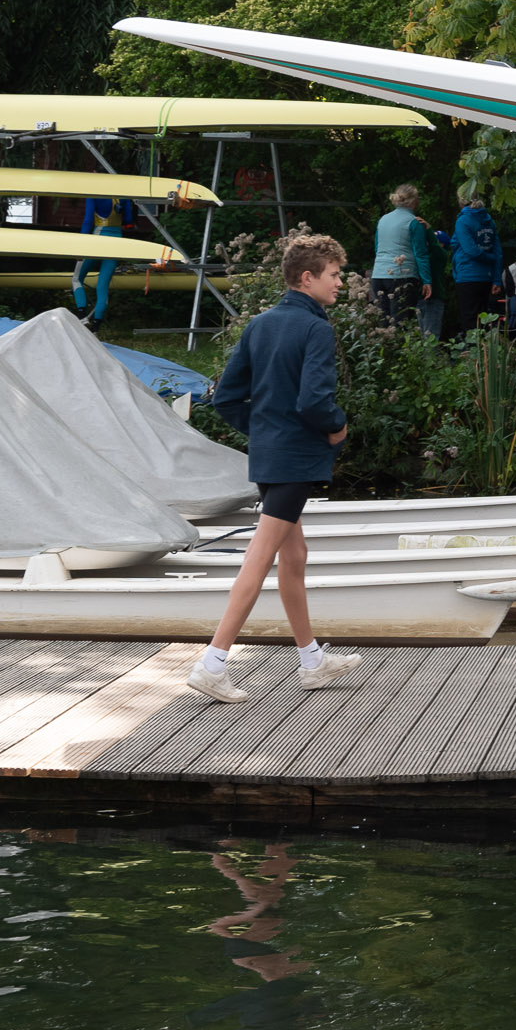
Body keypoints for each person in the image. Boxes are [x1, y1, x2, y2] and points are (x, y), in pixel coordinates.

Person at [188, 233, 364, 705]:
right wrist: (336, 429)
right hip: (293, 458)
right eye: (333, 275)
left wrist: (264, 428)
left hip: (271, 455)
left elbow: (224, 397)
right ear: (307, 278)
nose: (340, 282)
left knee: (294, 554)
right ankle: (212, 663)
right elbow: (315, 401)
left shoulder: (260, 325)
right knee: (262, 555)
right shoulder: (316, 329)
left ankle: (311, 660)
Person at [368, 185, 434, 325]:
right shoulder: (414, 222)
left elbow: (377, 248)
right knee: (401, 323)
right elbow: (421, 254)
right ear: (413, 201)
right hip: (401, 276)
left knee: (383, 324)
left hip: (378, 275)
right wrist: (427, 281)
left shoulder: (383, 220)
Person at [71, 196, 130, 328]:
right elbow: (128, 220)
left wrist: (80, 246)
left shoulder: (94, 193)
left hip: (98, 239)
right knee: (102, 286)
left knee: (76, 278)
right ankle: (96, 326)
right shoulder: (124, 195)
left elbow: (87, 220)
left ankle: (82, 315)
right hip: (117, 241)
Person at [450, 193, 502, 334]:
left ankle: (472, 354)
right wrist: (497, 279)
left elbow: (471, 250)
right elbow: (497, 252)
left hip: (468, 275)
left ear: (461, 202)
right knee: (484, 319)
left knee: (470, 321)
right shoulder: (489, 221)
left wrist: (488, 258)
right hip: (487, 277)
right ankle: (484, 353)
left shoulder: (463, 221)